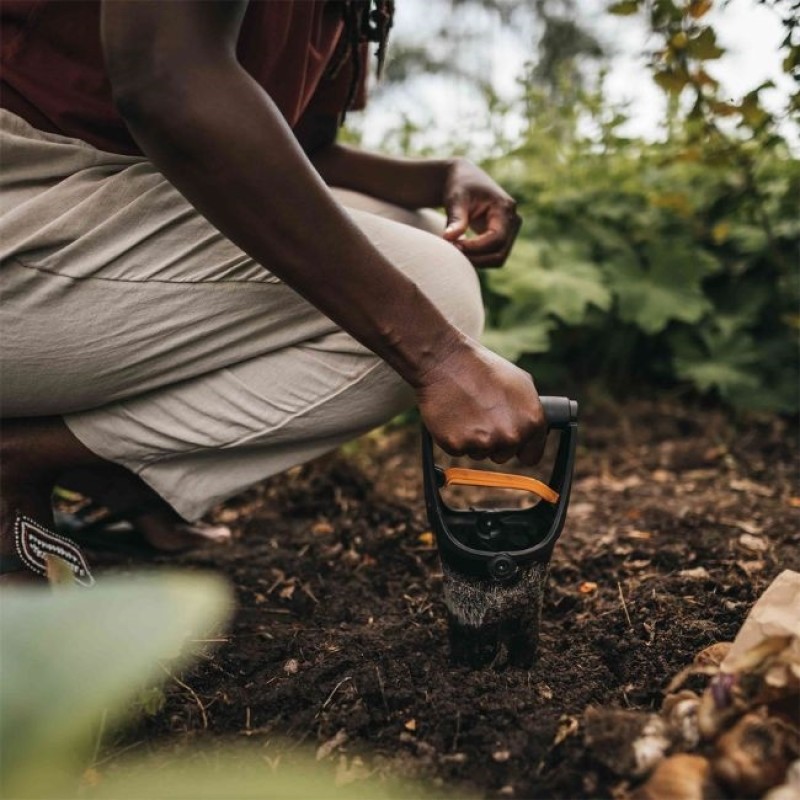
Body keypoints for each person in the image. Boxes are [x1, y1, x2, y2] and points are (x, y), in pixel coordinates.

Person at [0, 0, 547, 585]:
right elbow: (165, 82)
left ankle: (98, 463)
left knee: (407, 229)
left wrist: (443, 174)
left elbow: (294, 148)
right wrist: (439, 356)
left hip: (93, 191)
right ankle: (21, 458)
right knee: (433, 295)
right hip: (26, 182)